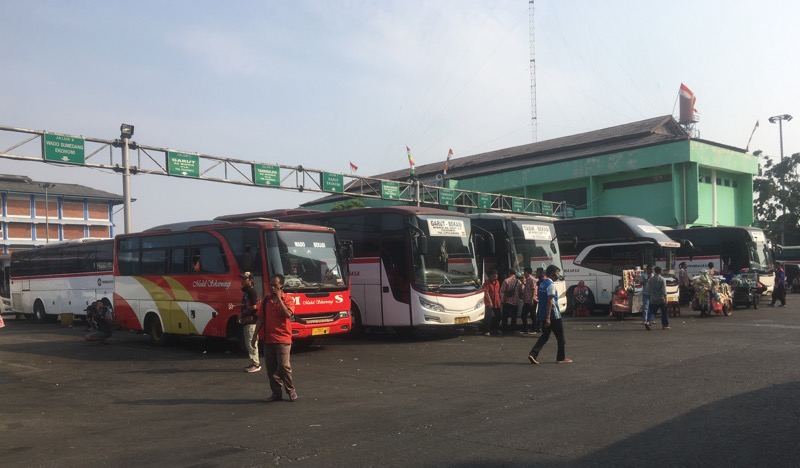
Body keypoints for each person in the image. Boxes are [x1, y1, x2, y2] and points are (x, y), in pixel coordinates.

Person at [252, 274, 298, 402]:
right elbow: (260, 318)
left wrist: (280, 300)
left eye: (275, 285)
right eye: (271, 285)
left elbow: (288, 314)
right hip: (268, 339)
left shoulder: (288, 299)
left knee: (284, 366)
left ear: (281, 286)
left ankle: (291, 390)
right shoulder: (266, 300)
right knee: (271, 369)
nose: (272, 288)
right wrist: (255, 335)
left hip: (283, 339)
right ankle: (276, 393)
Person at [528, 265, 572, 364]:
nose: (558, 275)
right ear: (552, 273)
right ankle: (561, 358)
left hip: (543, 314)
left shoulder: (542, 284)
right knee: (560, 338)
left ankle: (533, 353)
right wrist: (548, 318)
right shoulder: (551, 285)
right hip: (554, 315)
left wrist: (545, 317)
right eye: (557, 272)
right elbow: (550, 302)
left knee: (545, 335)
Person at [239, 272, 261, 373]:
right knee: (249, 342)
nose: (242, 280)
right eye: (242, 278)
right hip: (247, 321)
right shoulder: (247, 292)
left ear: (250, 280)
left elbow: (254, 307)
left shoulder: (251, 291)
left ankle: (256, 364)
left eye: (245, 278)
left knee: (252, 342)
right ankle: (253, 362)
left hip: (251, 321)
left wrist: (244, 314)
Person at [644, 266, 669, 330]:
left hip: (653, 298)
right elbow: (664, 290)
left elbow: (649, 290)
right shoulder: (662, 279)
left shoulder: (651, 279)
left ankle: (649, 322)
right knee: (664, 312)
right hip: (661, 299)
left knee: (652, 312)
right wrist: (666, 298)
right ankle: (664, 325)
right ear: (660, 271)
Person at [499, 269, 522, 335]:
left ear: (509, 273)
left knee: (505, 316)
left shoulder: (506, 281)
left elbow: (502, 291)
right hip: (515, 302)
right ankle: (513, 328)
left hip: (507, 301)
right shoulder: (518, 281)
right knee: (514, 316)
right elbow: (521, 291)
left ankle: (504, 329)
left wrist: (502, 300)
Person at [482, 270, 501, 336]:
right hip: (489, 303)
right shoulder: (487, 283)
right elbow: (486, 292)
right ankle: (487, 331)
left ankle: (494, 329)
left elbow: (498, 292)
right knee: (488, 318)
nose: (495, 276)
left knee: (498, 316)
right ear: (490, 276)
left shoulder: (497, 282)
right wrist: (490, 302)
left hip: (496, 302)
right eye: (493, 275)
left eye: (496, 275)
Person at [519, 267, 537, 335]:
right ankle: (526, 328)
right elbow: (528, 288)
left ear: (528, 272)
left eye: (525, 272)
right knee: (524, 315)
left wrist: (531, 299)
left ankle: (533, 329)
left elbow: (533, 289)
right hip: (527, 300)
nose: (524, 273)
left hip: (531, 300)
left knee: (532, 315)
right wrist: (523, 283)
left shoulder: (532, 279)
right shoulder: (527, 279)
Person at [533, 267, 545, 333]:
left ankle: (540, 327)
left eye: (537, 272)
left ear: (540, 272)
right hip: (540, 298)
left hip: (542, 299)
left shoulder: (542, 280)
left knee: (540, 313)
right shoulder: (541, 279)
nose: (536, 273)